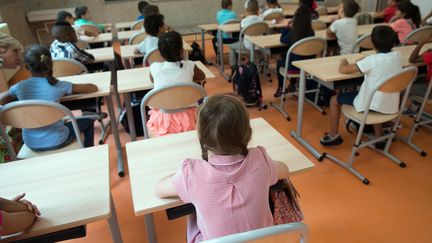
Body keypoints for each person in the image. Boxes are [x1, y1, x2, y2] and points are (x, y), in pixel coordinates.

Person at [155, 94, 290, 242]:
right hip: (260, 241)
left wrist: (180, 175)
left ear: (201, 137)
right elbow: (285, 169)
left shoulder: (191, 174)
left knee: (193, 213)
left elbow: (159, 190)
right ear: (248, 132)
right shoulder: (260, 160)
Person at [0, 45, 98, 150]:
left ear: (27, 66)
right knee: (87, 121)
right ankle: (88, 152)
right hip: (57, 140)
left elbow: (2, 98)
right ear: (50, 64)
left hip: (31, 143)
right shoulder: (59, 85)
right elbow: (93, 88)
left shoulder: (19, 87)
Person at [320, 26, 402, 147]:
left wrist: (343, 61)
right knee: (376, 94)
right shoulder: (398, 56)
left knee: (334, 100)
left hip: (371, 104)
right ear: (393, 42)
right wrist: (365, 61)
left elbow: (344, 70)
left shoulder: (372, 60)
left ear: (373, 44)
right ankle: (379, 139)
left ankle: (333, 135)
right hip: (390, 105)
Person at [148, 31, 205, 136]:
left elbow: (152, 80)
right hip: (189, 119)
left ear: (160, 53)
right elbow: (202, 77)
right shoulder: (190, 66)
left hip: (163, 120)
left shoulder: (155, 67)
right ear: (182, 50)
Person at [274, 5, 314, 97]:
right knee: (291, 58)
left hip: (295, 68)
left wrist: (287, 28)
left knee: (281, 62)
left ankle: (281, 87)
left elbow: (282, 40)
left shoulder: (293, 32)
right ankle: (292, 85)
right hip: (308, 66)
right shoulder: (311, 32)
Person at [229, 0, 263, 68]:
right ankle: (261, 62)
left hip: (247, 46)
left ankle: (234, 67)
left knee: (231, 46)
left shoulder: (244, 21)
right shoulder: (261, 19)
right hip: (259, 45)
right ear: (258, 10)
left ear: (246, 10)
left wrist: (244, 18)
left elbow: (241, 29)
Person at [405, 34, 432, 114]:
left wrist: (421, 43)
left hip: (429, 91)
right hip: (429, 84)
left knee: (400, 87)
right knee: (420, 77)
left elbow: (412, 59)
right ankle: (414, 108)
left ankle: (395, 118)